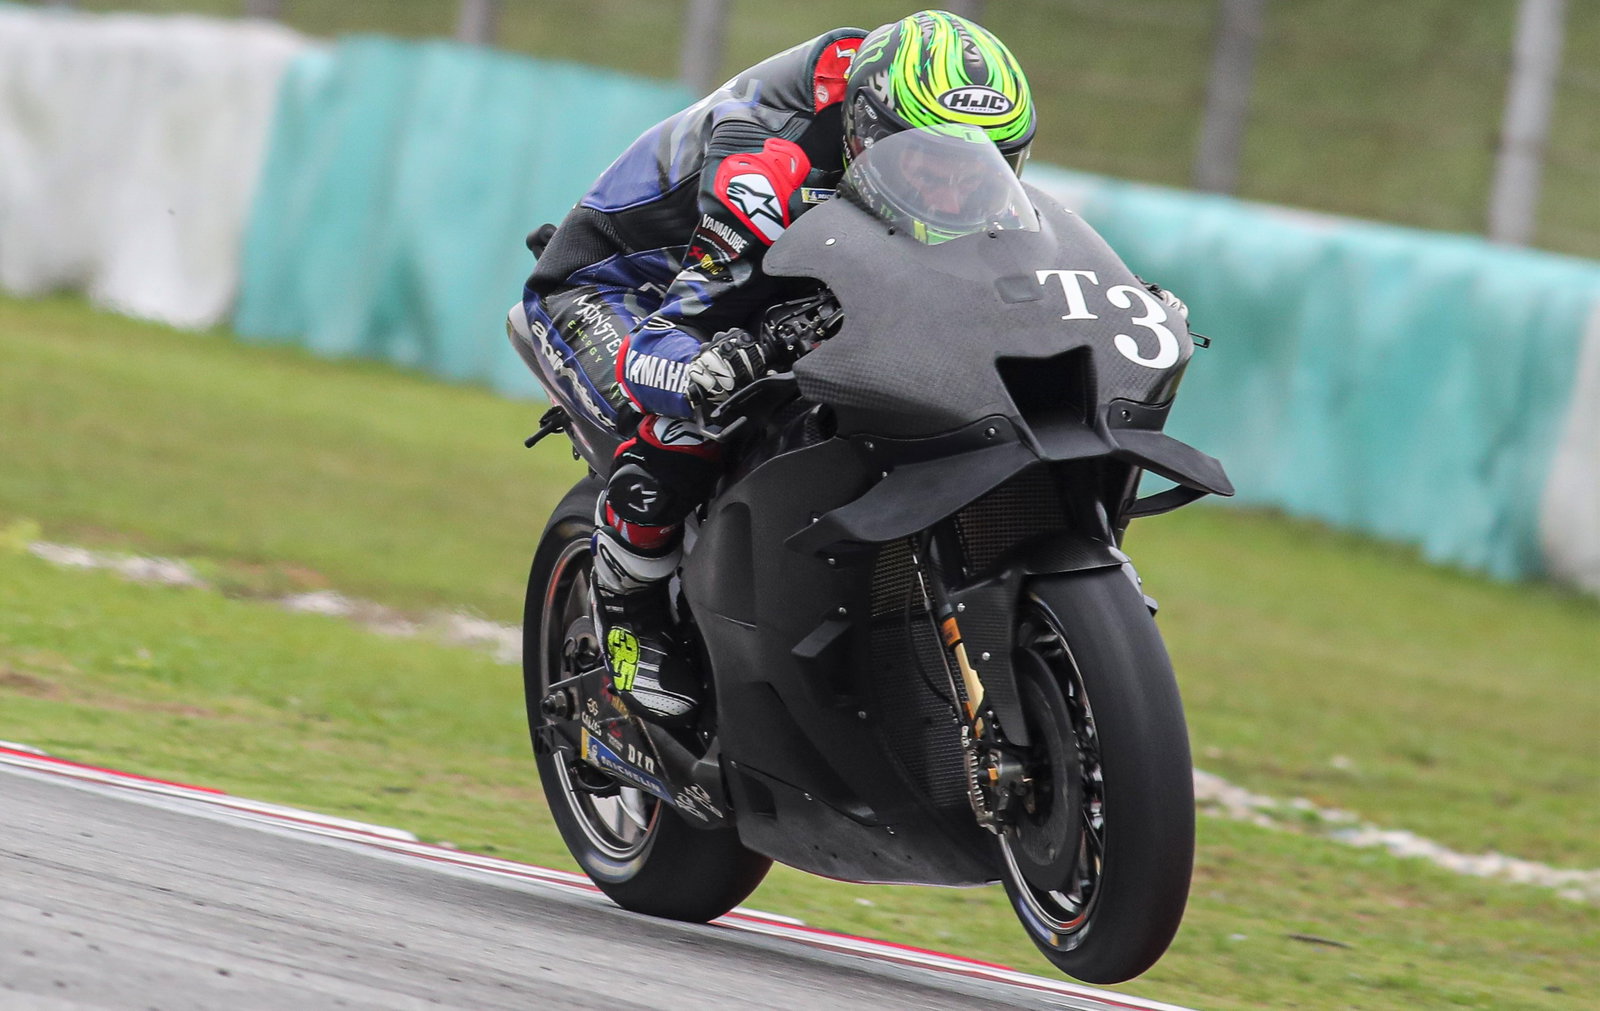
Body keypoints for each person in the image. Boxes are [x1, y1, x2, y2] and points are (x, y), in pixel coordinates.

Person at [515, 10, 1035, 724]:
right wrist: (713, 367)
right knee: (708, 397)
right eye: (929, 170)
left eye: (980, 172)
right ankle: (627, 597)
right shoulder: (764, 158)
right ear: (866, 129)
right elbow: (664, 347)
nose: (952, 197)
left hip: (778, 266)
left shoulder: (918, 123)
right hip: (621, 290)